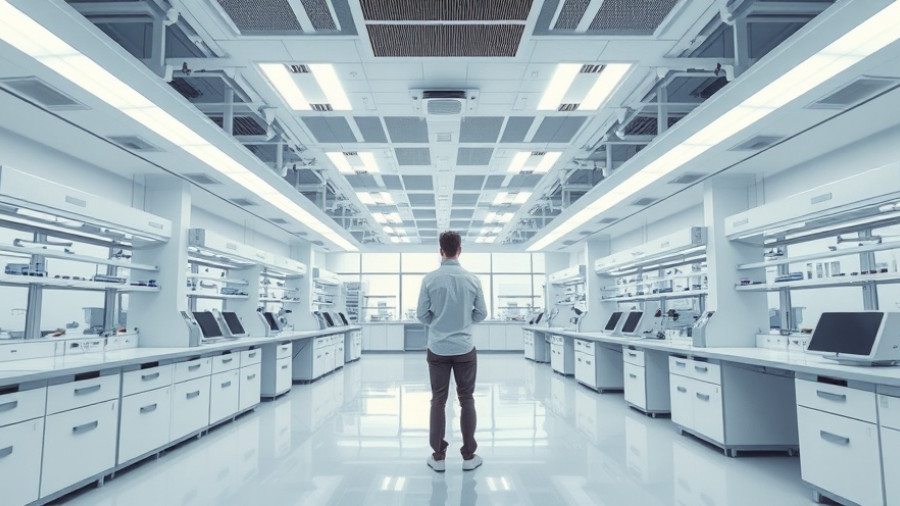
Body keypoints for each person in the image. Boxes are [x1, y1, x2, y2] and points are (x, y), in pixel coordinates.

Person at [417, 231, 487, 472]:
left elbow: (421, 314)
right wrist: (463, 321)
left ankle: (438, 457)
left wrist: (438, 323)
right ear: (459, 250)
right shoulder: (472, 279)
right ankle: (469, 456)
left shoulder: (430, 279)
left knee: (438, 400)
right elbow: (482, 313)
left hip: (437, 348)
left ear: (440, 250)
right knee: (467, 399)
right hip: (465, 348)